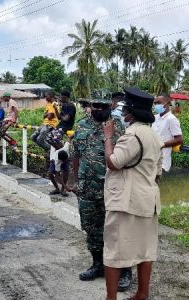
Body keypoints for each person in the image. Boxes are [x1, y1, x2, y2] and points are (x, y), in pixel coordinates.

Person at [102, 87, 164, 300]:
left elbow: (113, 163)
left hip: (126, 202)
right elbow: (158, 172)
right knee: (145, 249)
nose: (123, 113)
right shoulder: (154, 137)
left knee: (113, 251)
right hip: (148, 200)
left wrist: (108, 138)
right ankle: (142, 293)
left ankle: (111, 298)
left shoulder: (132, 135)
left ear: (131, 113)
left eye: (125, 109)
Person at [72, 97, 132, 288]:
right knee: (91, 230)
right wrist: (73, 180)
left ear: (110, 106)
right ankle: (98, 265)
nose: (98, 109)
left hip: (112, 190)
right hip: (87, 188)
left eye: (103, 106)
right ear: (90, 106)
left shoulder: (119, 129)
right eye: (95, 105)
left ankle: (124, 271)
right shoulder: (81, 126)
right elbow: (76, 155)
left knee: (117, 231)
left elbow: (125, 160)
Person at [151, 93, 183, 172]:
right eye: (155, 103)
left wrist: (161, 144)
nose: (156, 105)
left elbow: (179, 140)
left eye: (159, 103)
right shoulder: (155, 117)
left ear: (168, 103)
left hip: (162, 162)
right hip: (151, 159)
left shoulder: (171, 119)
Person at [46, 129, 69, 196]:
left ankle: (62, 189)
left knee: (66, 172)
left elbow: (69, 137)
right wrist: (66, 186)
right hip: (54, 159)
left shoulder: (65, 148)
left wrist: (77, 132)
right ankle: (57, 189)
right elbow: (57, 175)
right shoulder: (56, 160)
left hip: (63, 156)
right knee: (50, 173)